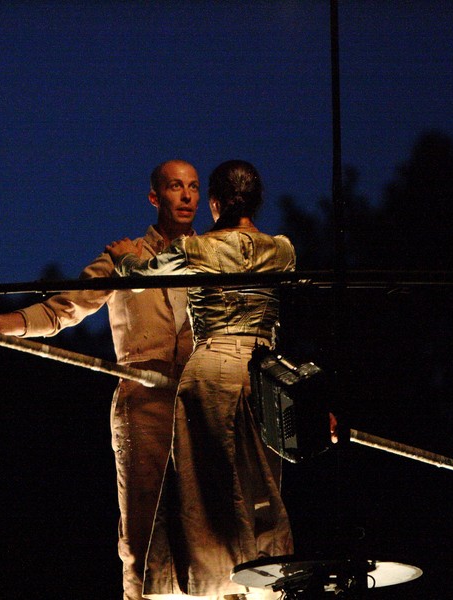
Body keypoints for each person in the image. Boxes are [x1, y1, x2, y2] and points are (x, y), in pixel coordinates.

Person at [0, 159, 200, 600]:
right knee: (142, 535)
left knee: (209, 532)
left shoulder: (212, 257)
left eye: (193, 187)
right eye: (174, 186)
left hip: (200, 402)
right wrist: (5, 323)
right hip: (144, 401)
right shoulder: (123, 257)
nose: (185, 196)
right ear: (154, 197)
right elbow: (62, 309)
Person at [106, 160, 296, 599]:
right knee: (258, 485)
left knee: (207, 491)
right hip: (264, 374)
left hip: (211, 371)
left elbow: (140, 278)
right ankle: (264, 584)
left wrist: (123, 258)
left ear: (213, 202)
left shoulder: (198, 252)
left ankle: (217, 583)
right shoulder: (283, 250)